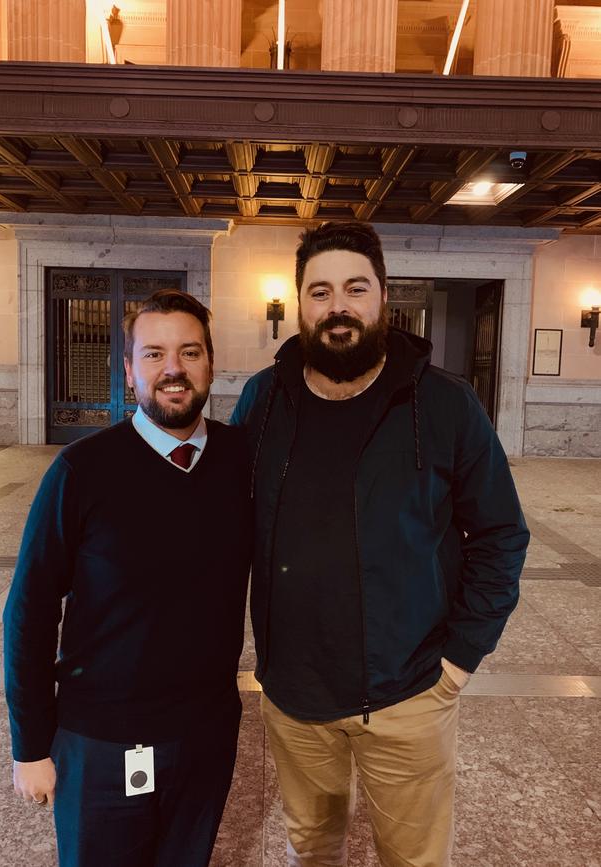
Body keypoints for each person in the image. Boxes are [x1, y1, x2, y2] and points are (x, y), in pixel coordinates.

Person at [231, 222, 529, 867]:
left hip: (411, 690)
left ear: (382, 297)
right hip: (295, 693)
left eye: (354, 288)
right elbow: (223, 520)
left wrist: (458, 661)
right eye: (320, 291)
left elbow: (502, 533)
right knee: (311, 849)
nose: (337, 306)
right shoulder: (264, 398)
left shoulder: (445, 403)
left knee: (413, 857)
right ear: (301, 302)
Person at [4, 290, 252, 867]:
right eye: (154, 354)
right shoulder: (82, 471)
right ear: (129, 369)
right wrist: (31, 745)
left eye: (190, 353)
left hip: (205, 734)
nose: (173, 369)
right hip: (101, 739)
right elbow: (30, 610)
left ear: (210, 365)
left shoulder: (241, 461)